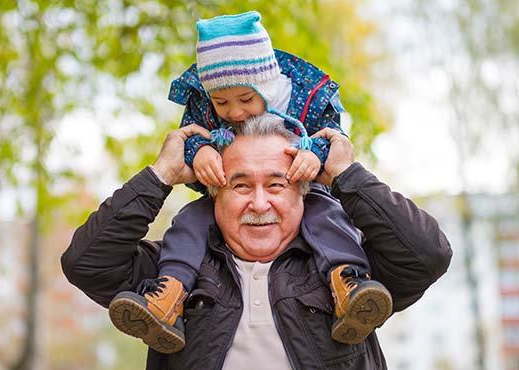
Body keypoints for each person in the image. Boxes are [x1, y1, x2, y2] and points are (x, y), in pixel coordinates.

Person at [61, 115, 452, 370]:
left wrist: (346, 175)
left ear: (304, 193)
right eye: (240, 184)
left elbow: (427, 254)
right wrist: (161, 175)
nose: (259, 202)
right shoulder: (173, 272)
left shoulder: (349, 274)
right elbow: (86, 263)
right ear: (214, 194)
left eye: (277, 185)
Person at [106, 10, 392, 354]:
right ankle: (168, 296)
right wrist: (198, 153)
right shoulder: (205, 105)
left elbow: (331, 136)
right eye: (222, 102)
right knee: (188, 222)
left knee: (327, 216)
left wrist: (314, 154)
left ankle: (348, 285)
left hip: (303, 186)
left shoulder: (300, 96)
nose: (235, 112)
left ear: (266, 85)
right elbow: (193, 135)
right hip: (222, 190)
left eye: (246, 100)